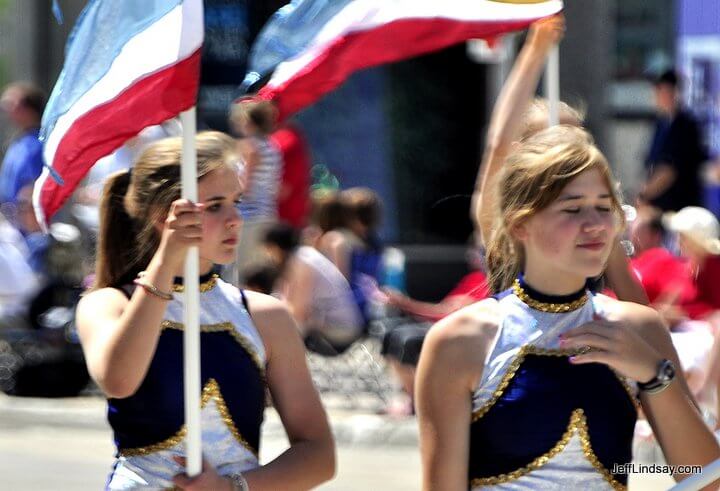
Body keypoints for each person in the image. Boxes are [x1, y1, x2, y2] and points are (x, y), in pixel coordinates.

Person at [417, 126, 720, 490]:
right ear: (521, 224)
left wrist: (655, 375)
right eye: (573, 209)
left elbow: (707, 482)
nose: (595, 226)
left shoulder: (638, 328)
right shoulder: (460, 340)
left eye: (604, 208)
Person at [75, 132, 334, 490]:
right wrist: (166, 262)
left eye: (236, 201)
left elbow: (319, 455)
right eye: (214, 205)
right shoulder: (108, 303)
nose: (235, 219)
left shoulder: (265, 315)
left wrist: (232, 488)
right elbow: (118, 380)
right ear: (161, 214)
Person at [471, 15, 648, 306]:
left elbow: (639, 311)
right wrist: (536, 48)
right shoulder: (505, 215)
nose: (570, 153)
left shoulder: (598, 223)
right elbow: (498, 144)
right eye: (555, 140)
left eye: (577, 140)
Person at [260, 223, 364, 353]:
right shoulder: (301, 256)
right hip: (333, 327)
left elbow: (299, 311)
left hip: (340, 332)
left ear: (276, 247)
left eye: (268, 249)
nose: (267, 255)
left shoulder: (302, 261)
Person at [226, 98, 283, 284]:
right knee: (259, 271)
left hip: (248, 217)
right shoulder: (273, 146)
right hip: (267, 213)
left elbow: (244, 187)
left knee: (239, 273)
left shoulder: (251, 147)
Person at [640, 70, 708, 211]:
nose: (657, 95)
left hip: (681, 206)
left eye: (661, 90)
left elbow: (670, 170)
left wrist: (645, 194)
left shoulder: (687, 125)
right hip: (659, 205)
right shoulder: (660, 123)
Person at [0, 82, 46, 206]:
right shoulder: (18, 142)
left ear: (29, 109)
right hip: (10, 217)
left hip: (30, 220)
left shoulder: (40, 143)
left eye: (13, 105)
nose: (7, 111)